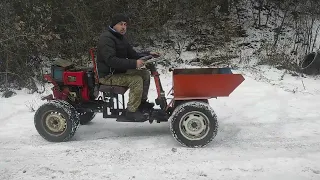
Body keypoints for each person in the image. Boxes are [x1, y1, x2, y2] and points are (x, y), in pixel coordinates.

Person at [96, 13, 159, 121]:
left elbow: (133, 55)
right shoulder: (106, 38)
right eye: (121, 24)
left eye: (125, 24)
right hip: (108, 75)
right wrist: (134, 64)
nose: (124, 27)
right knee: (136, 80)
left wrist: (149, 54)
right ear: (114, 25)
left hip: (118, 72)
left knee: (144, 74)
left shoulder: (120, 38)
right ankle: (131, 111)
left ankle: (141, 103)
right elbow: (111, 61)